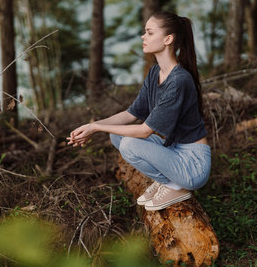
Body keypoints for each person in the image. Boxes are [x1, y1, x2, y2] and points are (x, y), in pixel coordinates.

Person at [67, 11, 211, 211]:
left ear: (168, 39)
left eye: (149, 33)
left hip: (192, 163)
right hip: (174, 149)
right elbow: (130, 115)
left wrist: (96, 127)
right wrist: (91, 127)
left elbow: (144, 131)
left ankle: (176, 186)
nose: (143, 36)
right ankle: (168, 181)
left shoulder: (179, 80)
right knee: (116, 137)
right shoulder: (155, 72)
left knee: (128, 144)